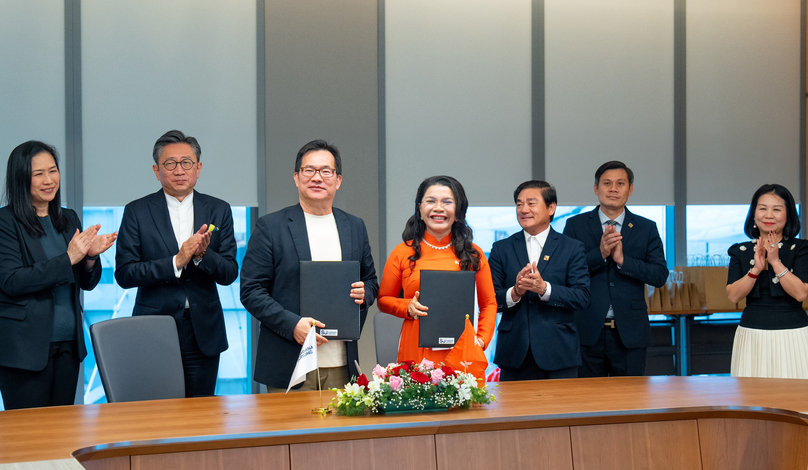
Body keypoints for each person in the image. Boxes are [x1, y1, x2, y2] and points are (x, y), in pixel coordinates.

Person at [240, 139, 378, 392]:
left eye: (326, 171)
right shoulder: (271, 227)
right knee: (289, 432)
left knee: (341, 433)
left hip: (341, 364)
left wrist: (365, 293)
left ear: (338, 180)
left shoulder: (354, 226)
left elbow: (371, 281)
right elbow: (251, 291)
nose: (317, 177)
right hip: (290, 363)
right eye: (309, 170)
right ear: (296, 177)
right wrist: (292, 325)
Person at [115, 130, 238, 397]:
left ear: (199, 168)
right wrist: (176, 261)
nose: (179, 170)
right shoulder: (137, 211)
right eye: (170, 164)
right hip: (153, 329)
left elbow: (229, 272)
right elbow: (125, 273)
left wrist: (203, 256)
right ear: (157, 170)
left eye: (186, 163)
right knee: (155, 413)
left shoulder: (219, 209)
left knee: (201, 413)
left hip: (203, 330)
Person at [0, 141, 116, 409]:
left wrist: (90, 257)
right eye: (38, 174)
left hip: (68, 345)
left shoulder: (68, 218)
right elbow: (11, 281)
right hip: (24, 350)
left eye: (53, 171)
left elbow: (85, 283)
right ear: (21, 178)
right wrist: (69, 258)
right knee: (29, 437)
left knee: (62, 432)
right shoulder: (6, 222)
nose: (49, 180)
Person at [377, 175, 497, 366]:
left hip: (461, 348)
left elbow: (489, 303)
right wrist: (407, 307)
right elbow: (383, 300)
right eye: (430, 201)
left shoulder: (474, 254)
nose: (438, 208)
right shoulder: (402, 252)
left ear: (458, 209)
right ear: (419, 207)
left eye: (447, 202)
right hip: (415, 346)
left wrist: (481, 339)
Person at [563, 161, 668, 377]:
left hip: (630, 334)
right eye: (607, 183)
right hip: (586, 331)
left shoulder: (646, 228)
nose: (613, 188)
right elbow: (564, 273)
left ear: (630, 189)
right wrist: (599, 254)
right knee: (588, 404)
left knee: (631, 403)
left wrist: (623, 261)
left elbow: (659, 275)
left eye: (620, 183)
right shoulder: (576, 225)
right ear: (596, 188)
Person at [488, 180, 589, 380]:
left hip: (559, 353)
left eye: (531, 203)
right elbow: (490, 300)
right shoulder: (501, 248)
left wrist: (544, 289)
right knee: (515, 411)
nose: (524, 209)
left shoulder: (572, 248)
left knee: (561, 411)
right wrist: (515, 292)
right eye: (519, 204)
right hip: (514, 353)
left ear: (551, 208)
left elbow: (582, 297)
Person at [726, 184, 808, 379]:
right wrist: (755, 270)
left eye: (777, 209)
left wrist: (775, 262)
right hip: (751, 334)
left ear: (788, 215)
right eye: (762, 208)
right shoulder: (740, 251)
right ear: (754, 214)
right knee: (751, 398)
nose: (768, 215)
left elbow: (800, 293)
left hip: (793, 334)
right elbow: (734, 295)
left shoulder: (801, 248)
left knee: (794, 399)